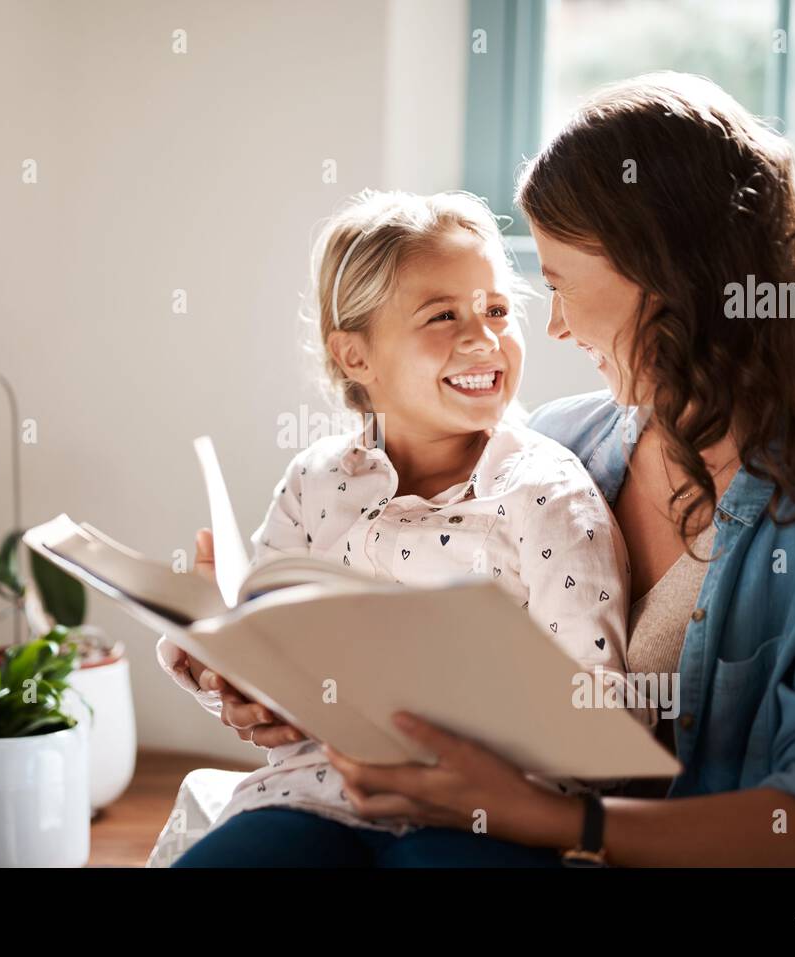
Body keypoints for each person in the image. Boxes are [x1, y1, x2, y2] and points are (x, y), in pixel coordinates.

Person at [174, 73, 795, 867]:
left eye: (553, 287)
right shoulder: (565, 439)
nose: (549, 326)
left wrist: (555, 820)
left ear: (666, 276)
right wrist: (271, 685)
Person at [160, 189, 651, 867]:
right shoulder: (316, 480)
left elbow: (596, 720)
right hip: (315, 792)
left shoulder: (548, 494)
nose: (484, 338)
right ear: (355, 357)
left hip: (480, 817)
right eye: (442, 315)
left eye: (497, 309)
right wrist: (223, 666)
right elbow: (270, 662)